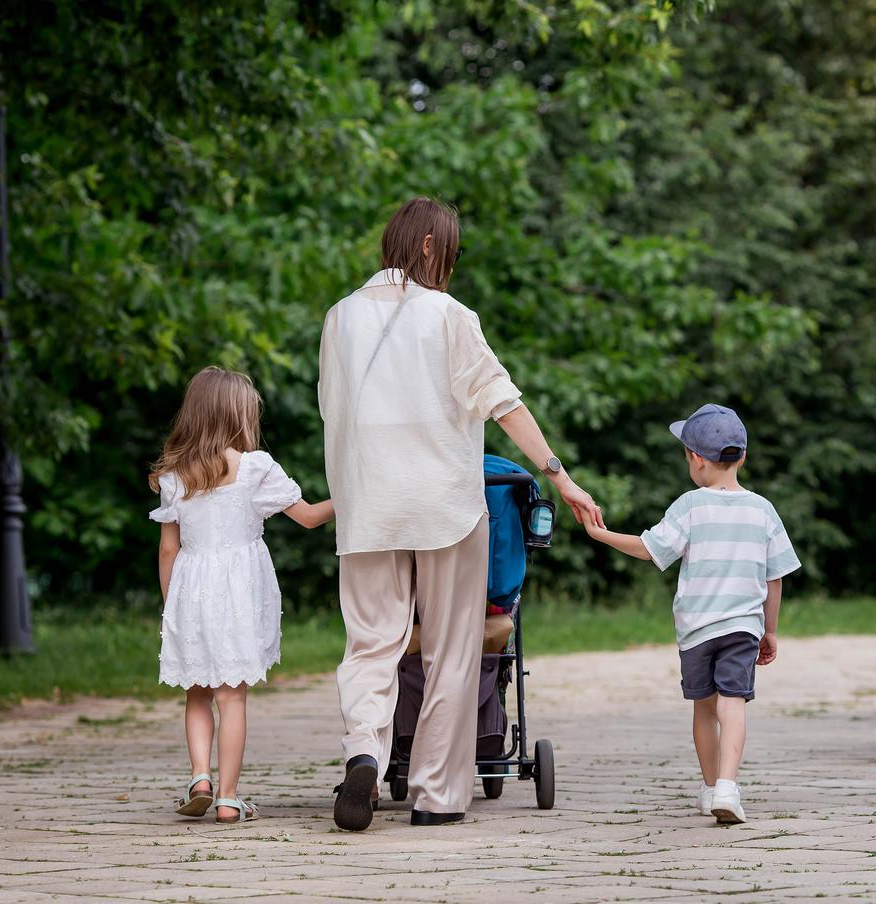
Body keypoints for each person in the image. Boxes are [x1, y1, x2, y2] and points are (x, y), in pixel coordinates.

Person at [318, 197, 604, 831]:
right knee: (450, 648)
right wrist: (560, 478)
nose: (451, 262)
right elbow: (503, 403)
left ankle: (365, 750)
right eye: (449, 249)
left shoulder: (339, 319)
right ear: (426, 247)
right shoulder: (450, 316)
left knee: (371, 644)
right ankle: (436, 797)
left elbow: (332, 414)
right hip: (444, 504)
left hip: (367, 507)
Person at [578, 403, 800, 824]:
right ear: (743, 457)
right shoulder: (763, 510)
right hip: (742, 628)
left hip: (697, 630)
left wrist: (599, 533)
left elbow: (650, 550)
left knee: (704, 707)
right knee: (733, 702)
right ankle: (728, 788)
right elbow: (775, 577)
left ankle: (710, 785)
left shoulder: (690, 506)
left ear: (696, 460)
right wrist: (770, 630)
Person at [148, 366, 334, 823]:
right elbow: (309, 517)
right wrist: (355, 496)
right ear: (239, 416)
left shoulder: (174, 474)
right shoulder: (255, 468)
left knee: (197, 693)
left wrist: (173, 606)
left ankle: (199, 777)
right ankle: (229, 797)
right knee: (232, 697)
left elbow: (168, 548)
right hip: (239, 593)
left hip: (190, 590)